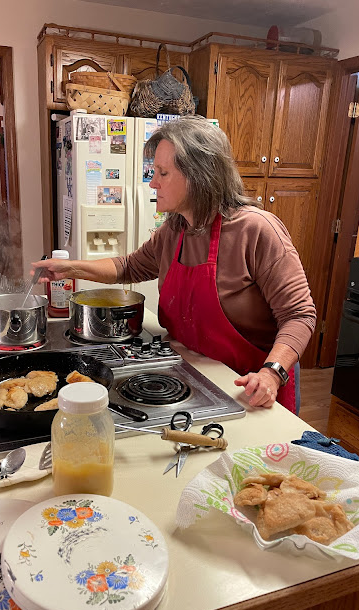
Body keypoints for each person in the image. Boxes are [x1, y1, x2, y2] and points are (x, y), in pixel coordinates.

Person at [32, 116, 316, 413]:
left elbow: (299, 315)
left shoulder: (257, 230)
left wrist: (272, 373)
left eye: (163, 173)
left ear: (199, 175)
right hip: (193, 375)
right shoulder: (175, 230)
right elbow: (129, 267)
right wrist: (69, 268)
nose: (153, 182)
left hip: (249, 388)